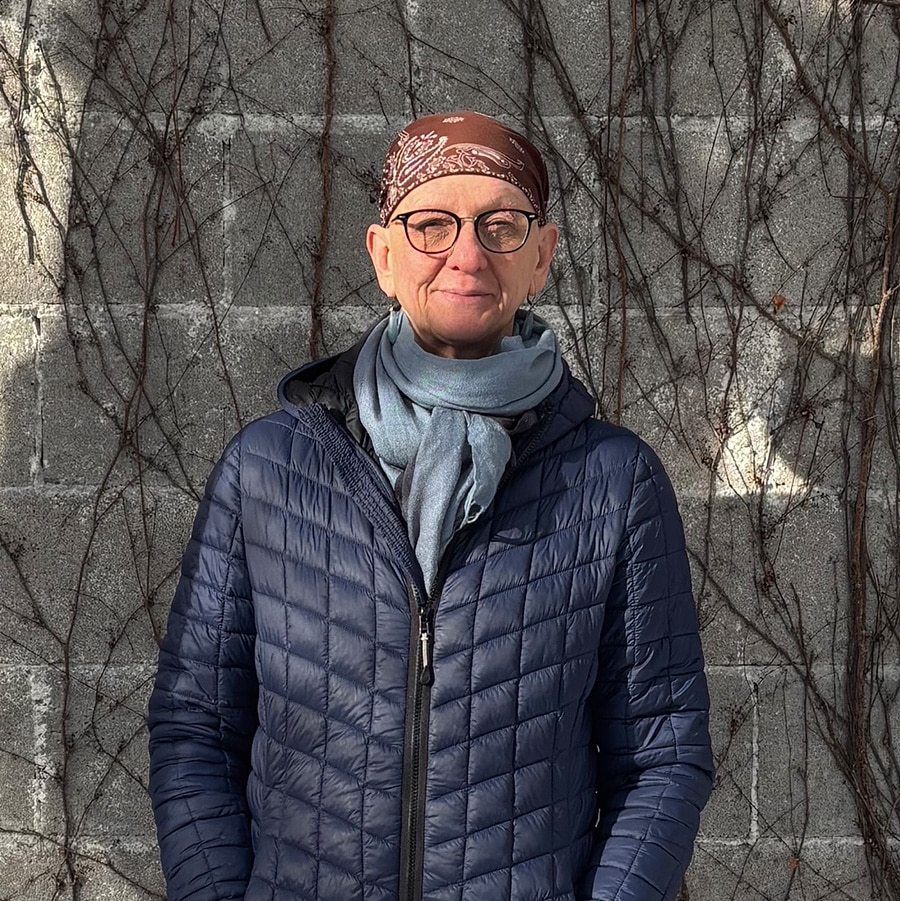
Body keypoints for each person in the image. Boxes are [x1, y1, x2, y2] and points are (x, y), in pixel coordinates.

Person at [147, 110, 714, 901]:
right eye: (431, 223)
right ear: (383, 255)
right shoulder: (267, 470)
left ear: (542, 255)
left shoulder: (614, 483)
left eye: (501, 224)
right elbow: (195, 733)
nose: (468, 253)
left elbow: (662, 752)